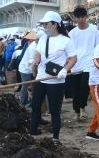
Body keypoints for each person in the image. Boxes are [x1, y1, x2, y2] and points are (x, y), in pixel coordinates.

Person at [29, 11, 77, 145]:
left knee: (55, 110)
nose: (44, 26)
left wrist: (65, 70)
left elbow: (73, 58)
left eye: (46, 24)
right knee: (35, 106)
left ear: (55, 24)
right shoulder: (44, 38)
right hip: (40, 78)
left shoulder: (65, 41)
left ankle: (55, 137)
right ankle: (32, 132)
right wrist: (34, 62)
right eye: (43, 24)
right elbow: (38, 53)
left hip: (56, 80)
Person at [68, 6, 99, 121]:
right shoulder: (72, 33)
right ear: (75, 18)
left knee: (84, 87)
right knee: (75, 90)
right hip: (76, 64)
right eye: (78, 17)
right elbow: (70, 50)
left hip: (89, 64)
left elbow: (97, 47)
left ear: (86, 17)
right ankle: (76, 111)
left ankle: (82, 107)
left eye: (83, 17)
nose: (80, 19)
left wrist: (96, 62)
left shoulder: (94, 31)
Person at [17, 30, 39, 107]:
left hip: (27, 67)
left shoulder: (34, 45)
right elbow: (31, 62)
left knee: (29, 86)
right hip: (25, 69)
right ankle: (22, 102)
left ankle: (27, 101)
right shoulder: (33, 47)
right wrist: (34, 74)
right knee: (25, 85)